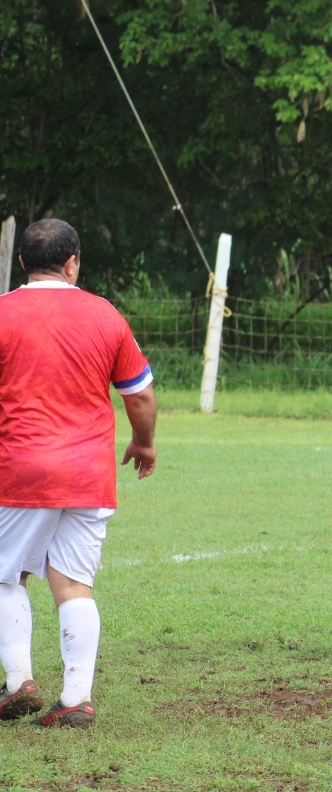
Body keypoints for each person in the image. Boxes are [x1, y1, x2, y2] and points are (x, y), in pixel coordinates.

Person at [0, 219, 157, 728]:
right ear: (73, 263)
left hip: (19, 471)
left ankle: (19, 679)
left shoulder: (2, 314)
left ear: (22, 263)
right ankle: (75, 699)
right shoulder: (105, 314)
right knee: (74, 585)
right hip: (89, 474)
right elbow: (141, 395)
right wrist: (144, 442)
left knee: (4, 576)